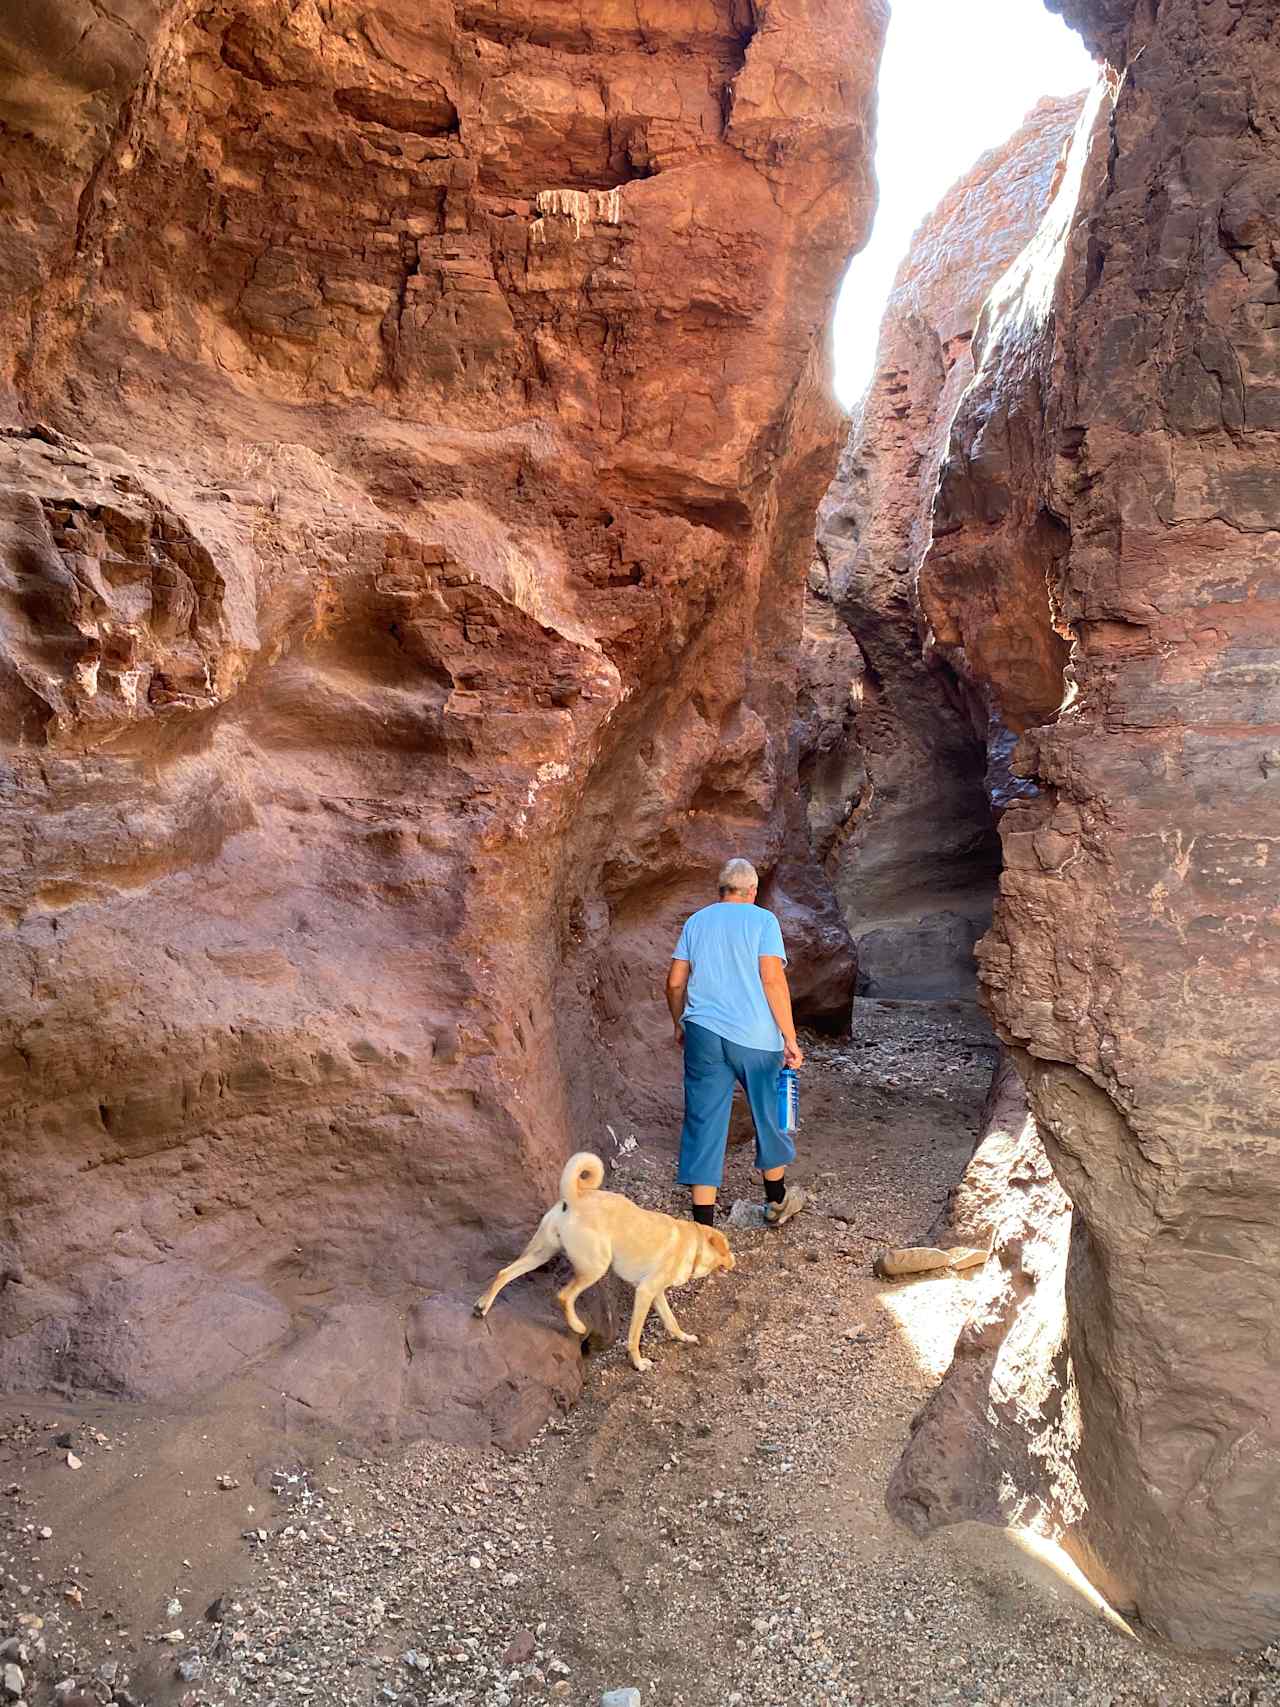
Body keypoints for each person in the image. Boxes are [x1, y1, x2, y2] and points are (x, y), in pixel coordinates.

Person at [665, 857, 806, 1228]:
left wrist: (680, 1021)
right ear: (753, 891)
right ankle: (776, 1201)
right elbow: (773, 980)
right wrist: (789, 1038)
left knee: (703, 1120)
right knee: (767, 1114)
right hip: (757, 1038)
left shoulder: (696, 921)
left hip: (704, 1033)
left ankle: (702, 1227)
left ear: (721, 891)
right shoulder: (763, 921)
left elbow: (675, 982)